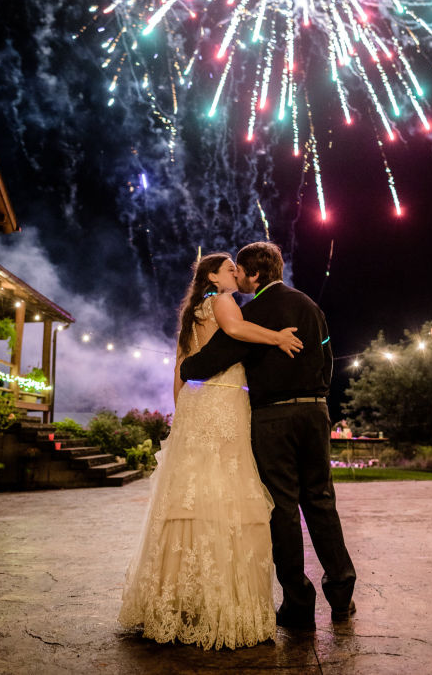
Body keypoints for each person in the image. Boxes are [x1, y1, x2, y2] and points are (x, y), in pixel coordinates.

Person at [118, 252, 302, 649]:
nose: (236, 274)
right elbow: (236, 332)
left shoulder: (193, 312)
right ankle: (218, 601)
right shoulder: (222, 300)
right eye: (229, 269)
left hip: (196, 403)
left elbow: (180, 366)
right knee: (225, 487)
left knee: (190, 493)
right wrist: (278, 337)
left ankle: (179, 599)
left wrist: (179, 410)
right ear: (213, 277)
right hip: (222, 400)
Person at [180, 241, 356, 629]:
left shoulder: (252, 313)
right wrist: (318, 396)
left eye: (240, 270)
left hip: (273, 418)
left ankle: (298, 604)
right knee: (322, 501)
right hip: (315, 412)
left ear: (255, 274)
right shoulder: (309, 305)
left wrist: (184, 364)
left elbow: (211, 360)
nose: (237, 276)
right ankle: (342, 594)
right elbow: (327, 356)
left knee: (283, 508)